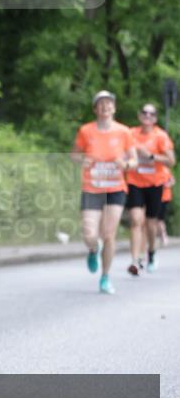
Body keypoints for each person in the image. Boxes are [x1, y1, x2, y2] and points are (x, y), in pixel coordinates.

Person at [71, 91, 135, 294]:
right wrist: (83, 160)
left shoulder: (124, 132)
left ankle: (105, 277)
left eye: (109, 103)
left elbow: (133, 161)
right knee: (90, 233)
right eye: (101, 104)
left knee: (108, 234)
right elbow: (73, 155)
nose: (105, 107)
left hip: (115, 189)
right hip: (92, 187)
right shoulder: (86, 131)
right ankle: (92, 249)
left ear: (114, 108)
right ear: (95, 109)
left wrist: (125, 164)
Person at [125, 104, 175, 274]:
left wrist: (151, 156)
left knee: (151, 223)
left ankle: (151, 253)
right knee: (135, 219)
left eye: (151, 113)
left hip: (155, 183)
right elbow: (121, 151)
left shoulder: (161, 136)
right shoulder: (131, 133)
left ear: (155, 118)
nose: (147, 115)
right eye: (144, 112)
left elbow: (171, 161)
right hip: (135, 181)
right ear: (139, 116)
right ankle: (135, 260)